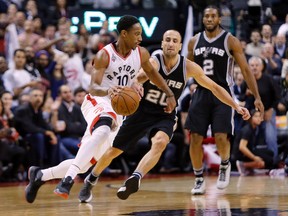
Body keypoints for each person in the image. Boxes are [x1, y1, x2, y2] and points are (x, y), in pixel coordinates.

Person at [76, 30, 250, 203]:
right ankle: (91, 179)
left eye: (175, 40)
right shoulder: (155, 60)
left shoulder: (188, 67)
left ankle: (136, 177)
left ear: (180, 46)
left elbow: (215, 87)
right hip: (142, 111)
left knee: (159, 143)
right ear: (162, 44)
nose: (170, 43)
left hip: (164, 115)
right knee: (114, 150)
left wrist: (235, 105)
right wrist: (137, 82)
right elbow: (141, 75)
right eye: (167, 40)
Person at [24, 15, 176, 203]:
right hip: (97, 100)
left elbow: (153, 74)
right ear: (124, 34)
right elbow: (93, 87)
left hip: (119, 110)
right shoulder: (105, 54)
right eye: (137, 34)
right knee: (103, 127)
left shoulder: (141, 53)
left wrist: (169, 94)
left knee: (86, 163)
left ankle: (40, 175)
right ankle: (68, 180)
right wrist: (109, 89)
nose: (140, 38)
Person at [184, 5, 264, 195]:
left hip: (223, 93)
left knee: (221, 136)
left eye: (213, 16)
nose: (209, 19)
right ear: (203, 19)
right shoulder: (194, 41)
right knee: (195, 138)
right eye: (206, 16)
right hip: (201, 93)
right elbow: (184, 69)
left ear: (219, 19)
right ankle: (198, 178)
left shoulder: (231, 41)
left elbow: (245, 70)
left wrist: (257, 96)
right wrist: (180, 90)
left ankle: (225, 165)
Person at [234, 109, 274, 176]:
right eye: (256, 116)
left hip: (250, 150)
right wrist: (254, 157)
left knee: (270, 153)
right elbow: (242, 147)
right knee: (266, 161)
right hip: (240, 156)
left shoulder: (255, 128)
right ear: (250, 118)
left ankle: (249, 167)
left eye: (259, 116)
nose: (259, 119)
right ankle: (243, 165)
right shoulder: (247, 130)